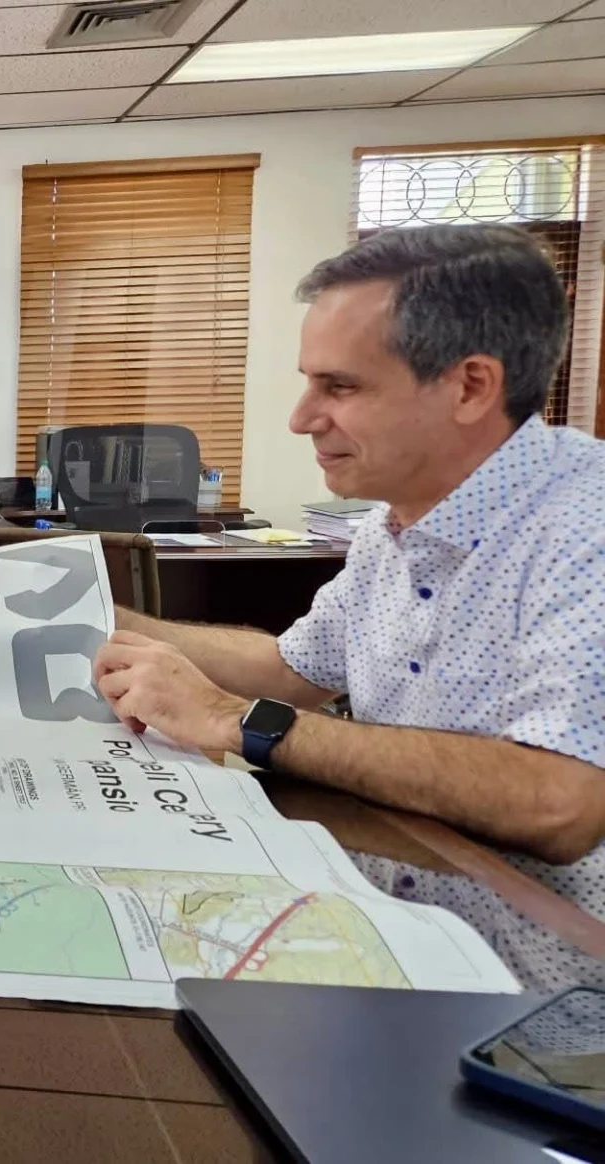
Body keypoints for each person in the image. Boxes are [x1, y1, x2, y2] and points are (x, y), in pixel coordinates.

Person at [90, 224, 605, 987]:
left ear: (470, 386)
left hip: (548, 996)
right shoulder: (390, 529)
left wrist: (241, 721)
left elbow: (560, 802)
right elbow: (289, 668)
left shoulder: (584, 526)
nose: (302, 418)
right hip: (406, 932)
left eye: (341, 387)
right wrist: (80, 606)